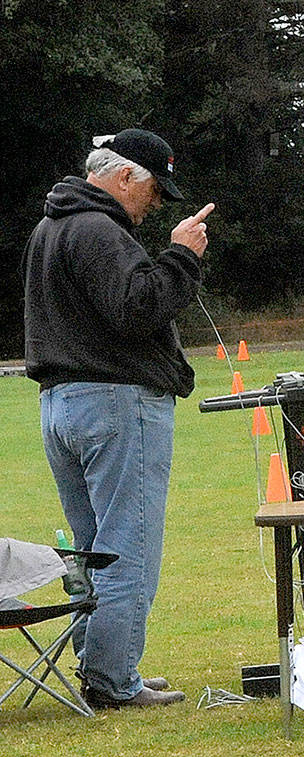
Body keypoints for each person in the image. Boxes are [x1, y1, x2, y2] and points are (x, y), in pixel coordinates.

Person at [23, 128, 213, 708]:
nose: (155, 205)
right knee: (125, 545)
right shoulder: (99, 230)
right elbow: (138, 310)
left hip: (60, 404)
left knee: (90, 549)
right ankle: (112, 679)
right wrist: (181, 254)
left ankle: (100, 661)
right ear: (125, 175)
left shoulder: (50, 227)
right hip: (115, 404)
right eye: (154, 191)